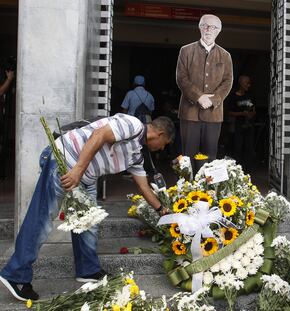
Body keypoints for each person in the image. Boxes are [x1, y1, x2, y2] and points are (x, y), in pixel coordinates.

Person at [0, 114, 174, 301]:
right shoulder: (133, 125)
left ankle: (88, 269)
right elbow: (98, 135)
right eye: (165, 143)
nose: (162, 148)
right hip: (65, 163)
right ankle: (15, 274)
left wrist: (163, 211)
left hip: (85, 178)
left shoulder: (137, 155)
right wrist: (76, 171)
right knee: (41, 219)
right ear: (160, 134)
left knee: (89, 222)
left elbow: (143, 187)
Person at [176, 14, 233, 171]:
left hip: (214, 113)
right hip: (189, 112)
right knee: (187, 156)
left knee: (211, 157)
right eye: (205, 25)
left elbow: (227, 82)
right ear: (200, 27)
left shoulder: (225, 55)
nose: (209, 29)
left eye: (213, 27)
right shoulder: (186, 51)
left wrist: (214, 100)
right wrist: (198, 96)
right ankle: (187, 191)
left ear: (218, 31)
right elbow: (181, 78)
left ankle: (208, 191)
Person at [228, 75, 256, 167]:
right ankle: (236, 168)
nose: (249, 85)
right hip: (237, 126)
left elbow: (253, 110)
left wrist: (251, 114)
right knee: (237, 147)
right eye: (246, 83)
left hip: (249, 126)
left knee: (248, 148)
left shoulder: (250, 95)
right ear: (241, 83)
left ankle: (247, 169)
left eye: (249, 83)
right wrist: (241, 114)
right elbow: (229, 112)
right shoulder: (233, 96)